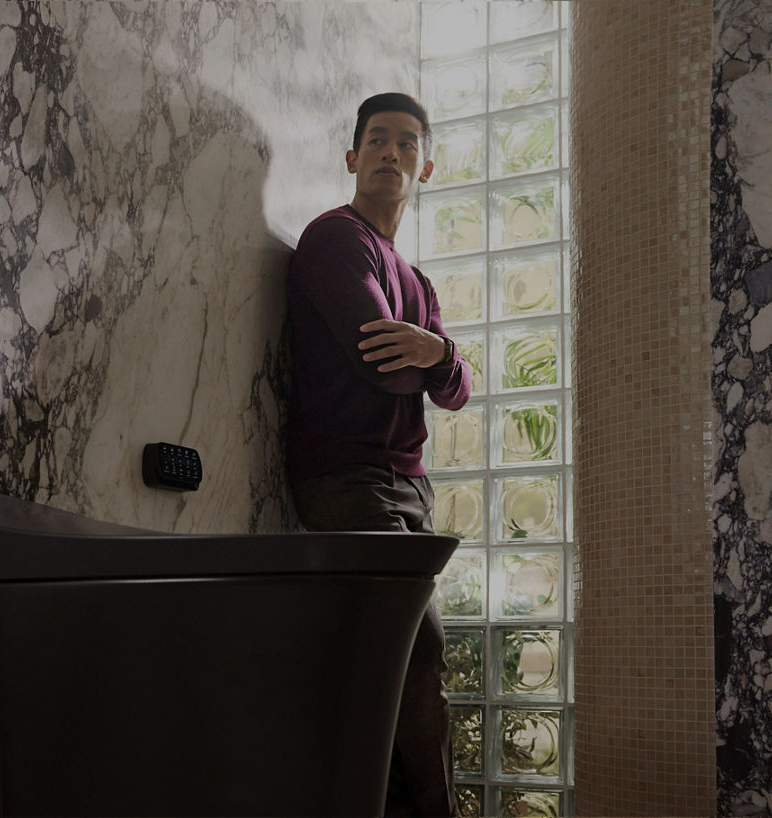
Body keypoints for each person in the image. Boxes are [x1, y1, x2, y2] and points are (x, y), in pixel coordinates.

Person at [285, 92, 472, 818]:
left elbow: (454, 390)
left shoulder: (415, 280)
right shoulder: (336, 239)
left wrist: (437, 352)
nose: (391, 152)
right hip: (348, 478)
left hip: (406, 488)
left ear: (426, 167)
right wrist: (433, 357)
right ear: (352, 158)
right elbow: (378, 360)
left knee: (393, 666)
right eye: (378, 140)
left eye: (406, 143)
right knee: (416, 653)